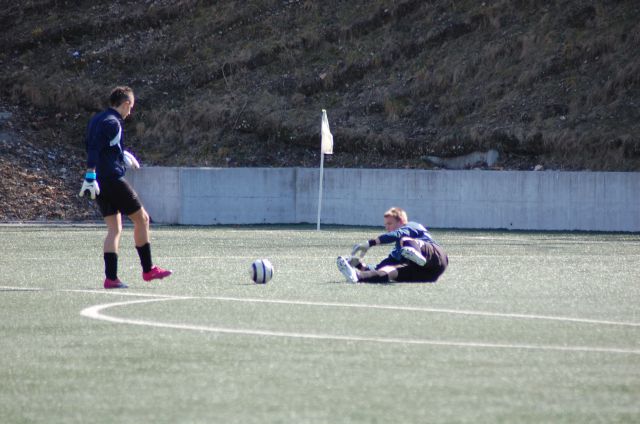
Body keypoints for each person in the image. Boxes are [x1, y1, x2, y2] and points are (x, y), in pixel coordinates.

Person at [79, 86, 172, 289]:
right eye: (131, 107)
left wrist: (120, 154)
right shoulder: (113, 122)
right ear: (126, 104)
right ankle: (148, 269)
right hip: (111, 178)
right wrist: (90, 172)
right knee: (142, 219)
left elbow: (96, 145)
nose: (130, 112)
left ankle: (111, 278)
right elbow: (94, 148)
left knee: (115, 229)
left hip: (100, 182)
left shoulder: (98, 119)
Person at [336, 207, 448, 283]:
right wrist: (358, 265)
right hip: (427, 275)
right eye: (385, 224)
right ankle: (357, 277)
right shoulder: (398, 251)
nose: (387, 227)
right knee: (389, 270)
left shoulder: (411, 226)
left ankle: (416, 253)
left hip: (437, 258)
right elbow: (378, 268)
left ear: (401, 222)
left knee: (405, 239)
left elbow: (397, 234)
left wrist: (370, 243)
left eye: (390, 223)